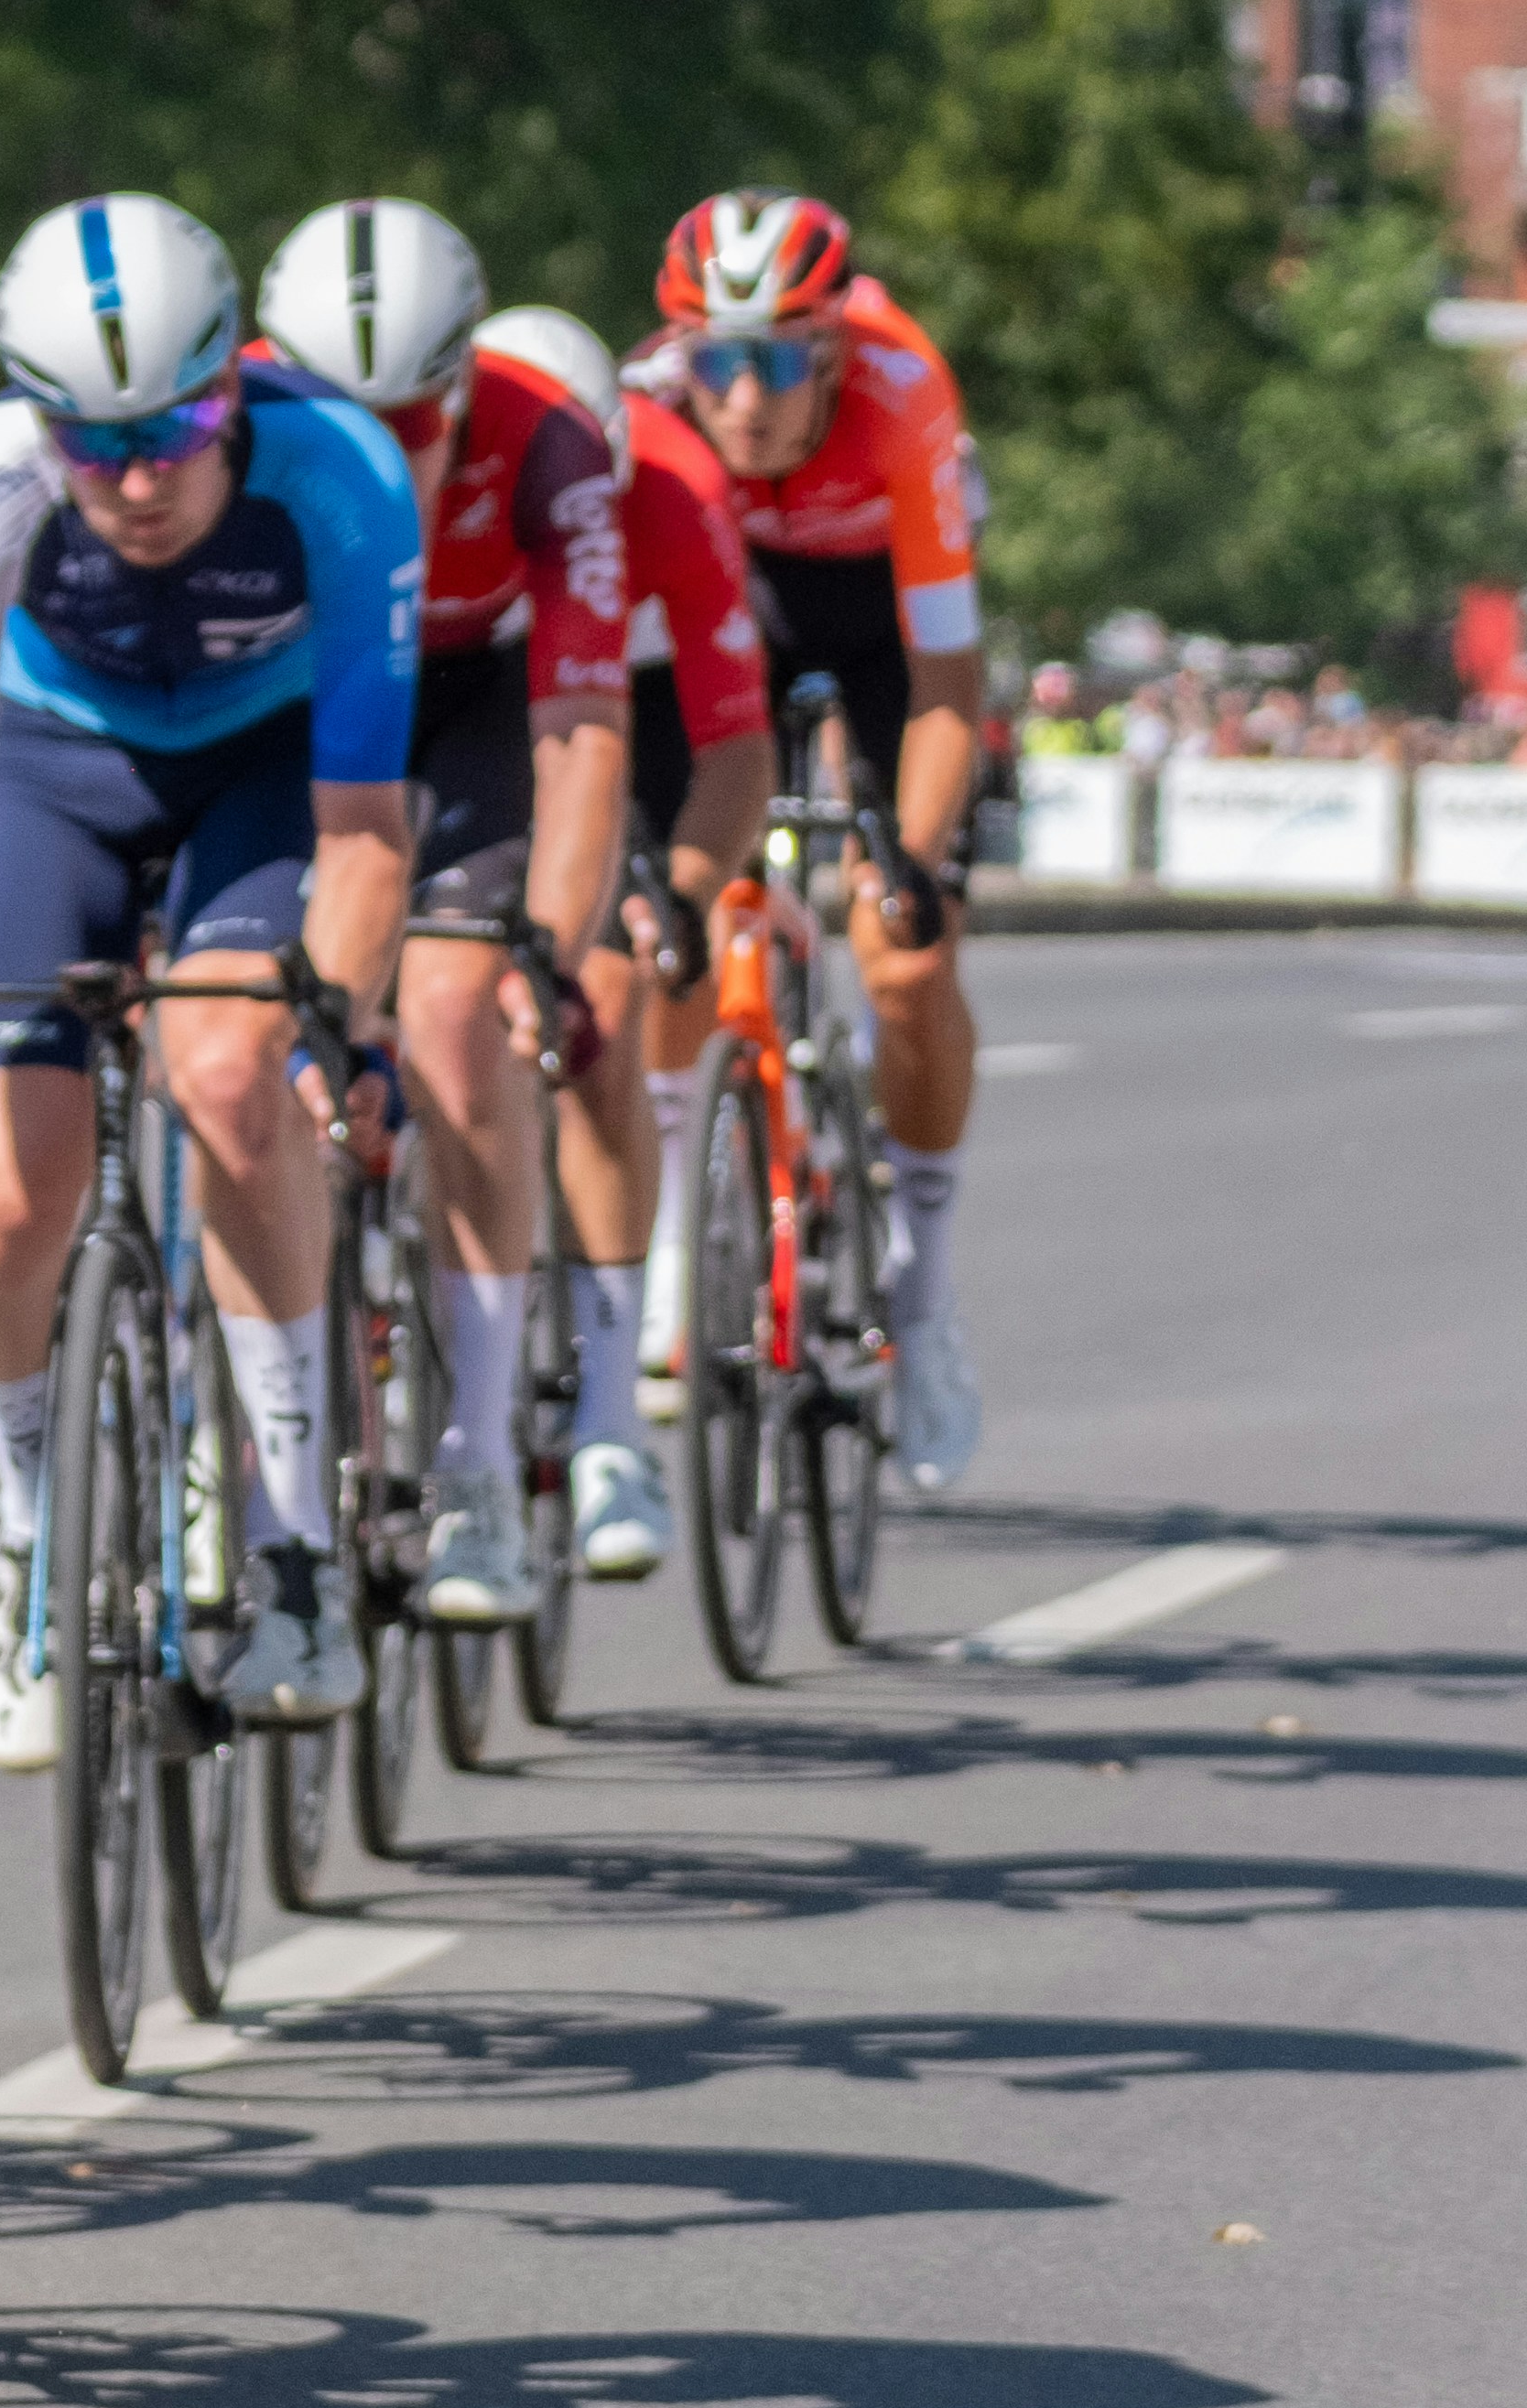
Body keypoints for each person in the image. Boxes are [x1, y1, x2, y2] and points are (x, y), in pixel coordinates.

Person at [0, 194, 418, 1770]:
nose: (133, 478)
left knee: (223, 1081)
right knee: (5, 1201)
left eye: (180, 425)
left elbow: (365, 832)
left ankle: (289, 1550)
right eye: (90, 438)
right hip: (58, 772)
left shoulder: (344, 473)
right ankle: (26, 1535)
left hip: (267, 779)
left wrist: (326, 1024)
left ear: (236, 390)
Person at [251, 200, 627, 1626]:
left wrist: (552, 940)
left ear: (468, 379)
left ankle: (475, 1452)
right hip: (299, 696)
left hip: (471, 696)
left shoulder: (550, 444)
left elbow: (586, 731)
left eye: (414, 418)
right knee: (222, 1030)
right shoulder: (218, 421)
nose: (376, 451)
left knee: (463, 1012)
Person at [634, 192, 991, 1495]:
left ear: (833, 351)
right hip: (735, 599)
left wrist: (909, 858)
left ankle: (926, 1302)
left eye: (775, 359)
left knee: (905, 964)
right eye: (712, 359)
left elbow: (949, 679)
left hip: (879, 612)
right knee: (679, 926)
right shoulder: (651, 406)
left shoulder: (905, 396)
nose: (739, 394)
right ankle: (680, 1243)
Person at [475, 303, 771, 1573]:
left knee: (596, 1000)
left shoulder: (676, 490)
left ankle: (607, 1422)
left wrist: (683, 894)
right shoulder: (435, 488)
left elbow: (736, 749)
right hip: (474, 704)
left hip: (633, 724)